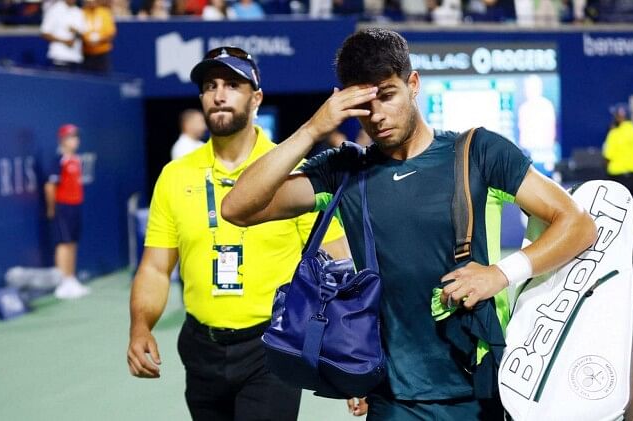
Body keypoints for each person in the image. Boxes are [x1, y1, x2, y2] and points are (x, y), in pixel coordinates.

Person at [221, 28, 597, 420]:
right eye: (364, 104)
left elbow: (577, 223)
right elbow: (238, 208)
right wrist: (313, 128)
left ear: (413, 84)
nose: (378, 115)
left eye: (387, 95)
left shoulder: (479, 153)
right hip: (389, 396)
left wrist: (500, 273)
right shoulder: (343, 171)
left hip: (480, 390)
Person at [127, 46, 348, 421]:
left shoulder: (295, 172)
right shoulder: (175, 175)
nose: (218, 94)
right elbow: (155, 268)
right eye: (210, 85)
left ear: (256, 97)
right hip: (200, 347)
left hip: (271, 346)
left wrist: (347, 356)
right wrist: (140, 326)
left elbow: (338, 263)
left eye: (232, 84)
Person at [45, 124, 90, 299]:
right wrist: (52, 208)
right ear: (63, 140)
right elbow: (50, 186)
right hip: (62, 207)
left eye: (77, 137)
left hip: (75, 206)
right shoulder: (58, 160)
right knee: (63, 243)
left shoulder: (76, 159)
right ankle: (62, 282)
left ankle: (71, 279)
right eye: (72, 137)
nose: (76, 141)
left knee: (72, 242)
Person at [602, 103, 633, 204]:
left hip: (618, 178)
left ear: (619, 117)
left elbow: (607, 157)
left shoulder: (614, 134)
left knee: (617, 210)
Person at [40, 0, 86, 70]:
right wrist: (64, 41)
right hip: (59, 57)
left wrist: (76, 32)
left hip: (76, 58)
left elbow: (84, 34)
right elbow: (44, 33)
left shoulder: (79, 12)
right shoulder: (54, 10)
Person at [81, 0, 116, 74]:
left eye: (93, 1)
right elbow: (79, 32)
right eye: (89, 2)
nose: (91, 3)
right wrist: (87, 41)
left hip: (102, 54)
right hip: (86, 54)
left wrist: (98, 40)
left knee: (103, 78)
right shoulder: (82, 13)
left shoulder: (104, 13)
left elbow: (110, 33)